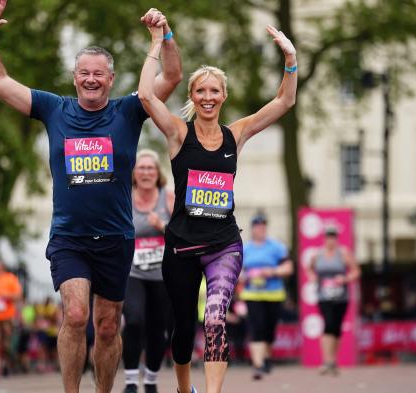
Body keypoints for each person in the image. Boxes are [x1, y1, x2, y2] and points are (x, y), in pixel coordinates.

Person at [0, 1, 182, 391]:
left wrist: (165, 36)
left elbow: (172, 75)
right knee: (74, 314)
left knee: (106, 326)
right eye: (84, 73)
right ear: (74, 78)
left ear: (111, 78)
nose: (91, 79)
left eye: (99, 74)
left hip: (116, 238)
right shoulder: (54, 109)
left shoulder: (130, 110)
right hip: (70, 237)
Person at [137, 21, 297, 393]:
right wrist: (157, 43)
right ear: (192, 96)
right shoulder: (178, 133)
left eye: (214, 91)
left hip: (224, 244)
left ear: (223, 95)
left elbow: (284, 101)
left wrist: (290, 59)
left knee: (214, 319)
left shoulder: (235, 134)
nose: (207, 97)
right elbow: (146, 96)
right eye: (200, 91)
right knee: (180, 330)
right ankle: (182, 389)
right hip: (181, 246)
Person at [121, 149, 174, 393]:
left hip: (162, 275)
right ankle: (131, 380)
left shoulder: (169, 197)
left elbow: (182, 235)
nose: (145, 172)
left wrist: (161, 226)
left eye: (150, 168)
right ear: (134, 173)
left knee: (158, 329)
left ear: (157, 173)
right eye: (141, 168)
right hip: (133, 272)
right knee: (133, 321)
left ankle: (151, 380)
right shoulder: (124, 197)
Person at [239, 214, 293, 380]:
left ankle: (267, 357)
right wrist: (246, 276)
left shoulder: (276, 247)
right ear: (252, 228)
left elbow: (288, 268)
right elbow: (237, 271)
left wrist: (272, 271)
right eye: (257, 226)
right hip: (252, 293)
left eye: (263, 226)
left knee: (270, 330)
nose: (260, 229)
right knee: (257, 327)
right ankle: (258, 365)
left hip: (274, 294)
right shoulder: (245, 248)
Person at [305, 226, 360, 376]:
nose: (331, 239)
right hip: (324, 296)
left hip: (341, 297)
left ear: (336, 238)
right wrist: (312, 277)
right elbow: (309, 268)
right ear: (324, 238)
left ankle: (333, 361)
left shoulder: (343, 253)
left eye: (333, 236)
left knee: (336, 328)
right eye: (328, 236)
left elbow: (356, 271)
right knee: (328, 324)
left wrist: (345, 278)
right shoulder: (318, 254)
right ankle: (326, 361)